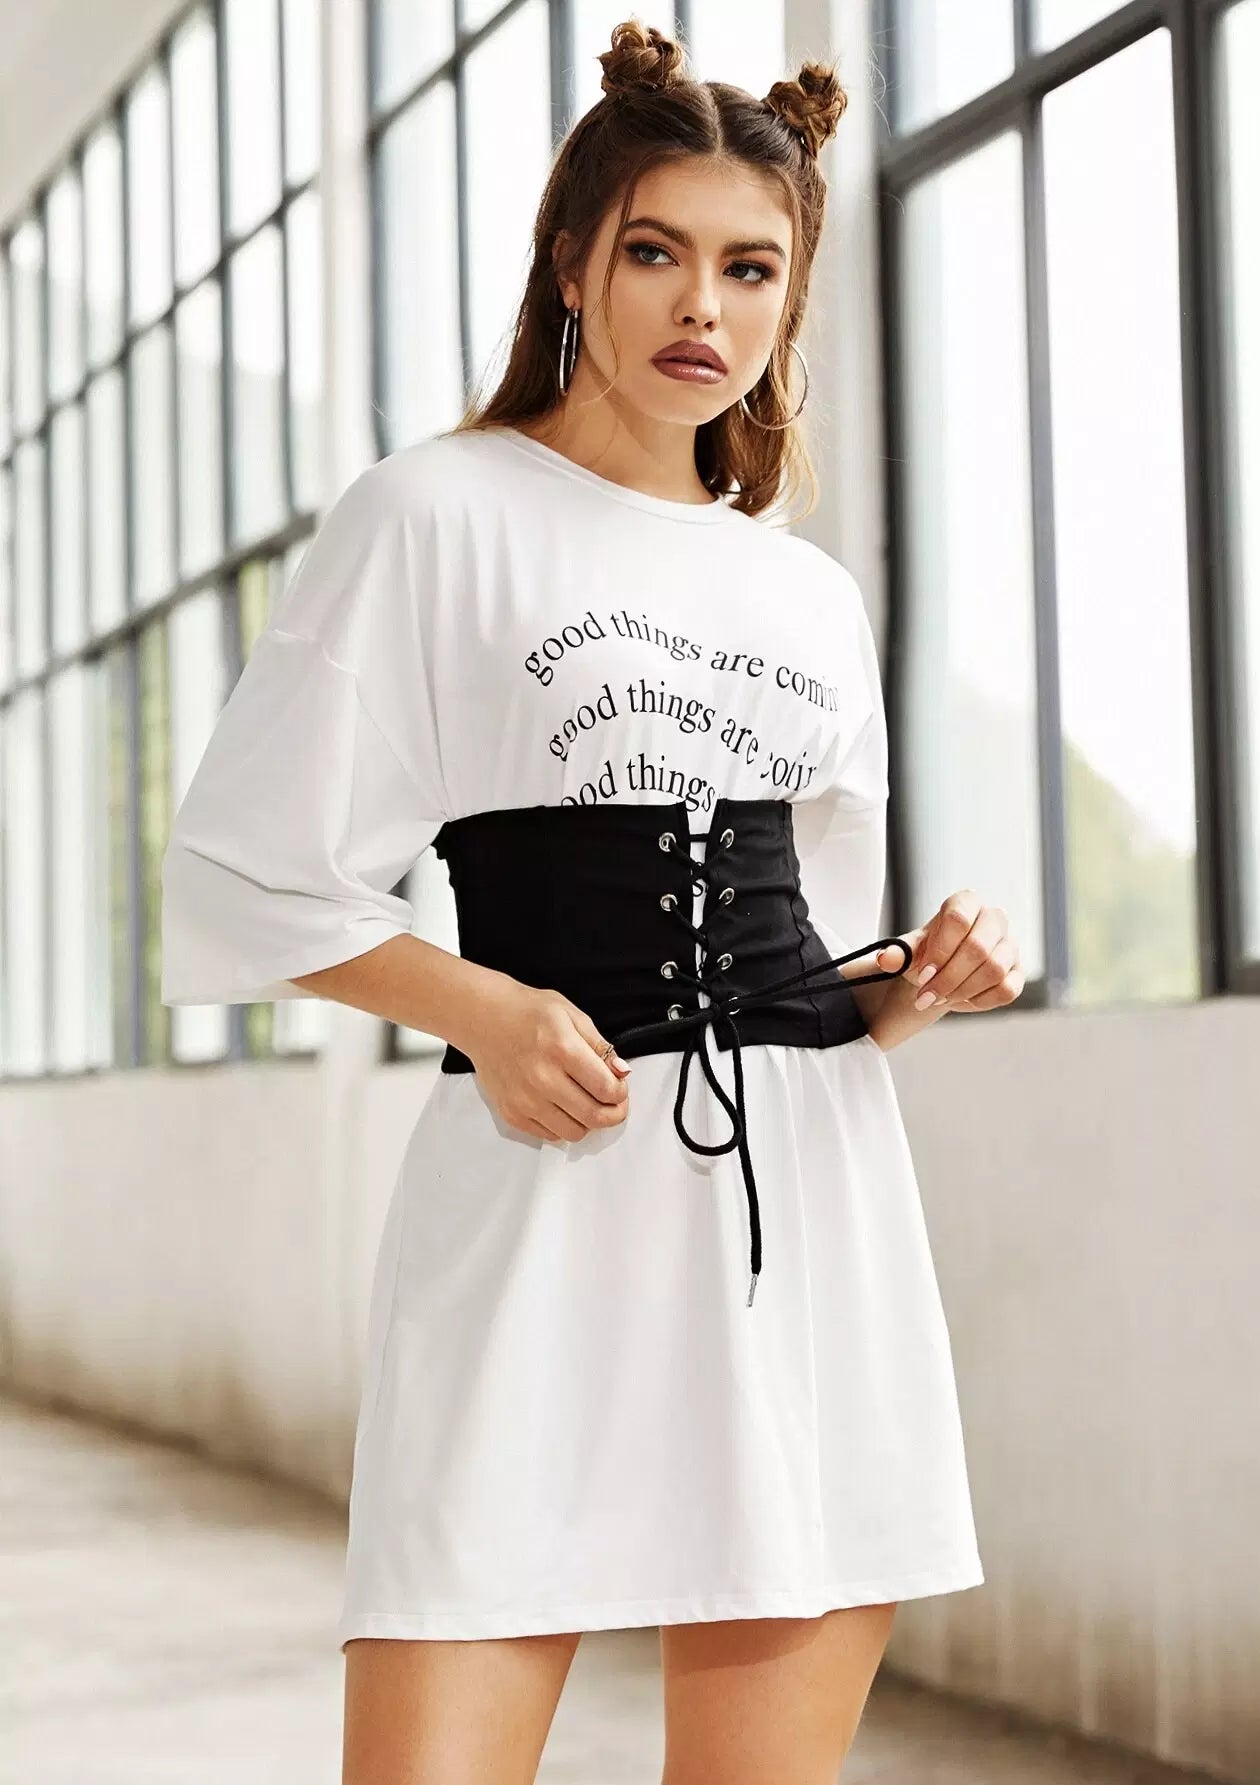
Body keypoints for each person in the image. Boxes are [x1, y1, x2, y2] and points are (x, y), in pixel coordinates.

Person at [160, 19, 1022, 1784]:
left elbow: (817, 957)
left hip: (806, 1225)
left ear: (790, 298)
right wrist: (480, 1006)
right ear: (573, 264)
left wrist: (924, 983)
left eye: (750, 267)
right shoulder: (434, 514)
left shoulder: (806, 595)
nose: (703, 305)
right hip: (541, 1197)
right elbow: (242, 868)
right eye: (655, 252)